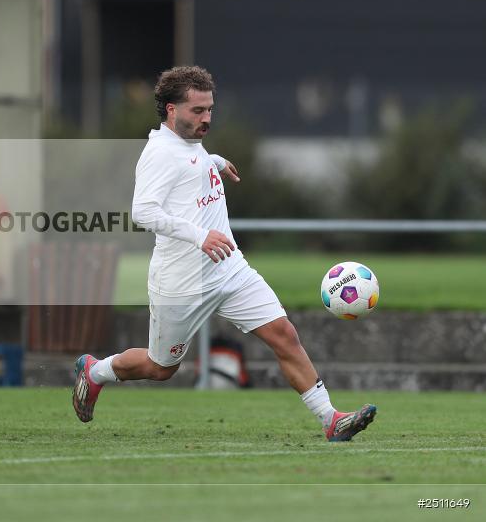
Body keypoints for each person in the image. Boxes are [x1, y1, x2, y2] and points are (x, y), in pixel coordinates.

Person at [72, 66, 377, 442]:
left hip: (229, 270)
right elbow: (143, 212)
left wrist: (213, 161)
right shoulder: (158, 154)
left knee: (284, 335)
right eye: (197, 111)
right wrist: (200, 236)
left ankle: (331, 419)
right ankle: (96, 371)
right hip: (181, 281)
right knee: (160, 367)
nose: (206, 119)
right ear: (171, 110)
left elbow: (188, 166)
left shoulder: (189, 145)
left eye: (210, 109)